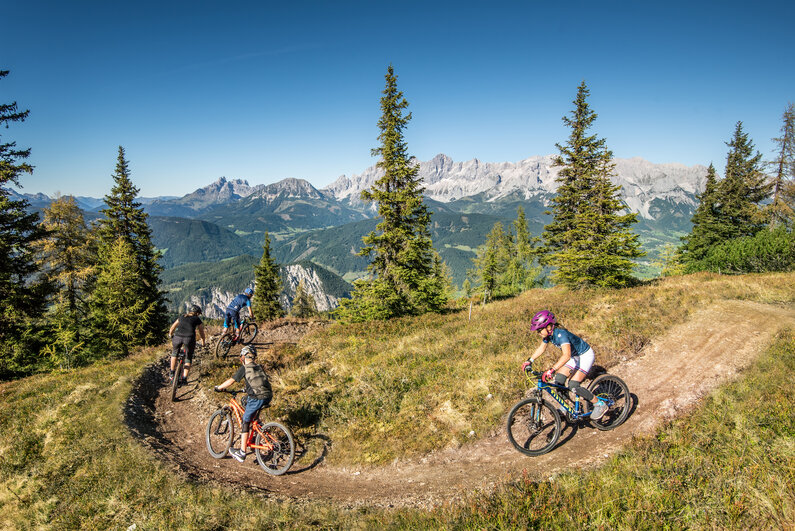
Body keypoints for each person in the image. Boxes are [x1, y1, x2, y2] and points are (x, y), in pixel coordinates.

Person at [522, 310, 607, 420]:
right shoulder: (548, 336)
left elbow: (566, 355)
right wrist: (530, 360)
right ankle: (566, 406)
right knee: (559, 379)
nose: (538, 333)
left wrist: (552, 369)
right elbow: (541, 348)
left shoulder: (561, 334)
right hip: (575, 357)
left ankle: (599, 404)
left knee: (573, 385)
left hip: (585, 355)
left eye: (539, 330)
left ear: (549, 327)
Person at [214, 345, 273, 462]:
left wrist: (219, 387)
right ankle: (256, 426)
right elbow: (258, 382)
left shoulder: (244, 368)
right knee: (246, 402)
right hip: (268, 396)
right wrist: (247, 389)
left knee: (245, 420)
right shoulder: (258, 367)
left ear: (243, 357)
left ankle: (242, 452)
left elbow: (231, 381)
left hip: (257, 398)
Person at [168, 304, 207, 385]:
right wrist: (203, 341)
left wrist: (170, 335)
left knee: (174, 353)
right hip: (189, 339)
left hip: (177, 337)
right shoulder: (197, 319)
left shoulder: (182, 317)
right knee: (188, 357)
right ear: (197, 313)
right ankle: (184, 379)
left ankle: (172, 373)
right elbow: (201, 332)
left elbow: (172, 328)